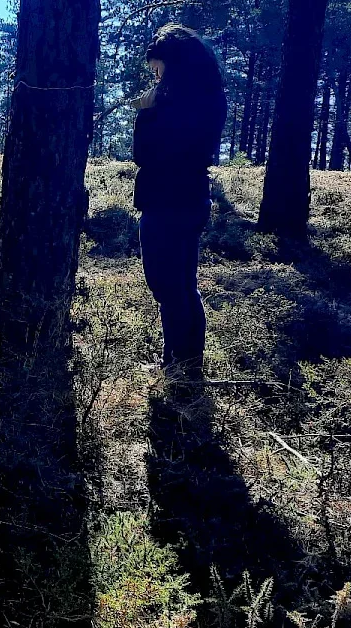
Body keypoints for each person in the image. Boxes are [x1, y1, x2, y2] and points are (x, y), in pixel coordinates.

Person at [131, 24, 228, 379]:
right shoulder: (210, 97)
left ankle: (178, 367)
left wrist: (147, 111)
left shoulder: (170, 105)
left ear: (172, 63)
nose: (155, 76)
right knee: (183, 284)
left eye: (157, 68)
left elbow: (146, 153)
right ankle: (182, 363)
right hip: (192, 198)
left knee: (166, 285)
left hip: (165, 200)